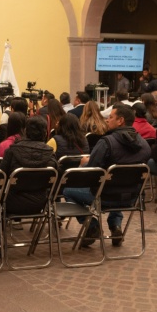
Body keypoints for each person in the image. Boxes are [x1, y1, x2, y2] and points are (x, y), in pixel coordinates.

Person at [63, 104, 151, 246]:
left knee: (68, 191)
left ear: (120, 120)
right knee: (118, 182)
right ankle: (115, 226)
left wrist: (85, 163)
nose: (107, 120)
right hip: (132, 197)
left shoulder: (106, 143)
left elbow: (91, 172)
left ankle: (93, 226)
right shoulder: (145, 145)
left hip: (104, 197)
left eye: (110, 117)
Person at [0, 116, 57, 236]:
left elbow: (1, 177)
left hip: (11, 202)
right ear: (45, 132)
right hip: (40, 203)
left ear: (25, 131)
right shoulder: (50, 153)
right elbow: (56, 179)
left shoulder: (12, 151)